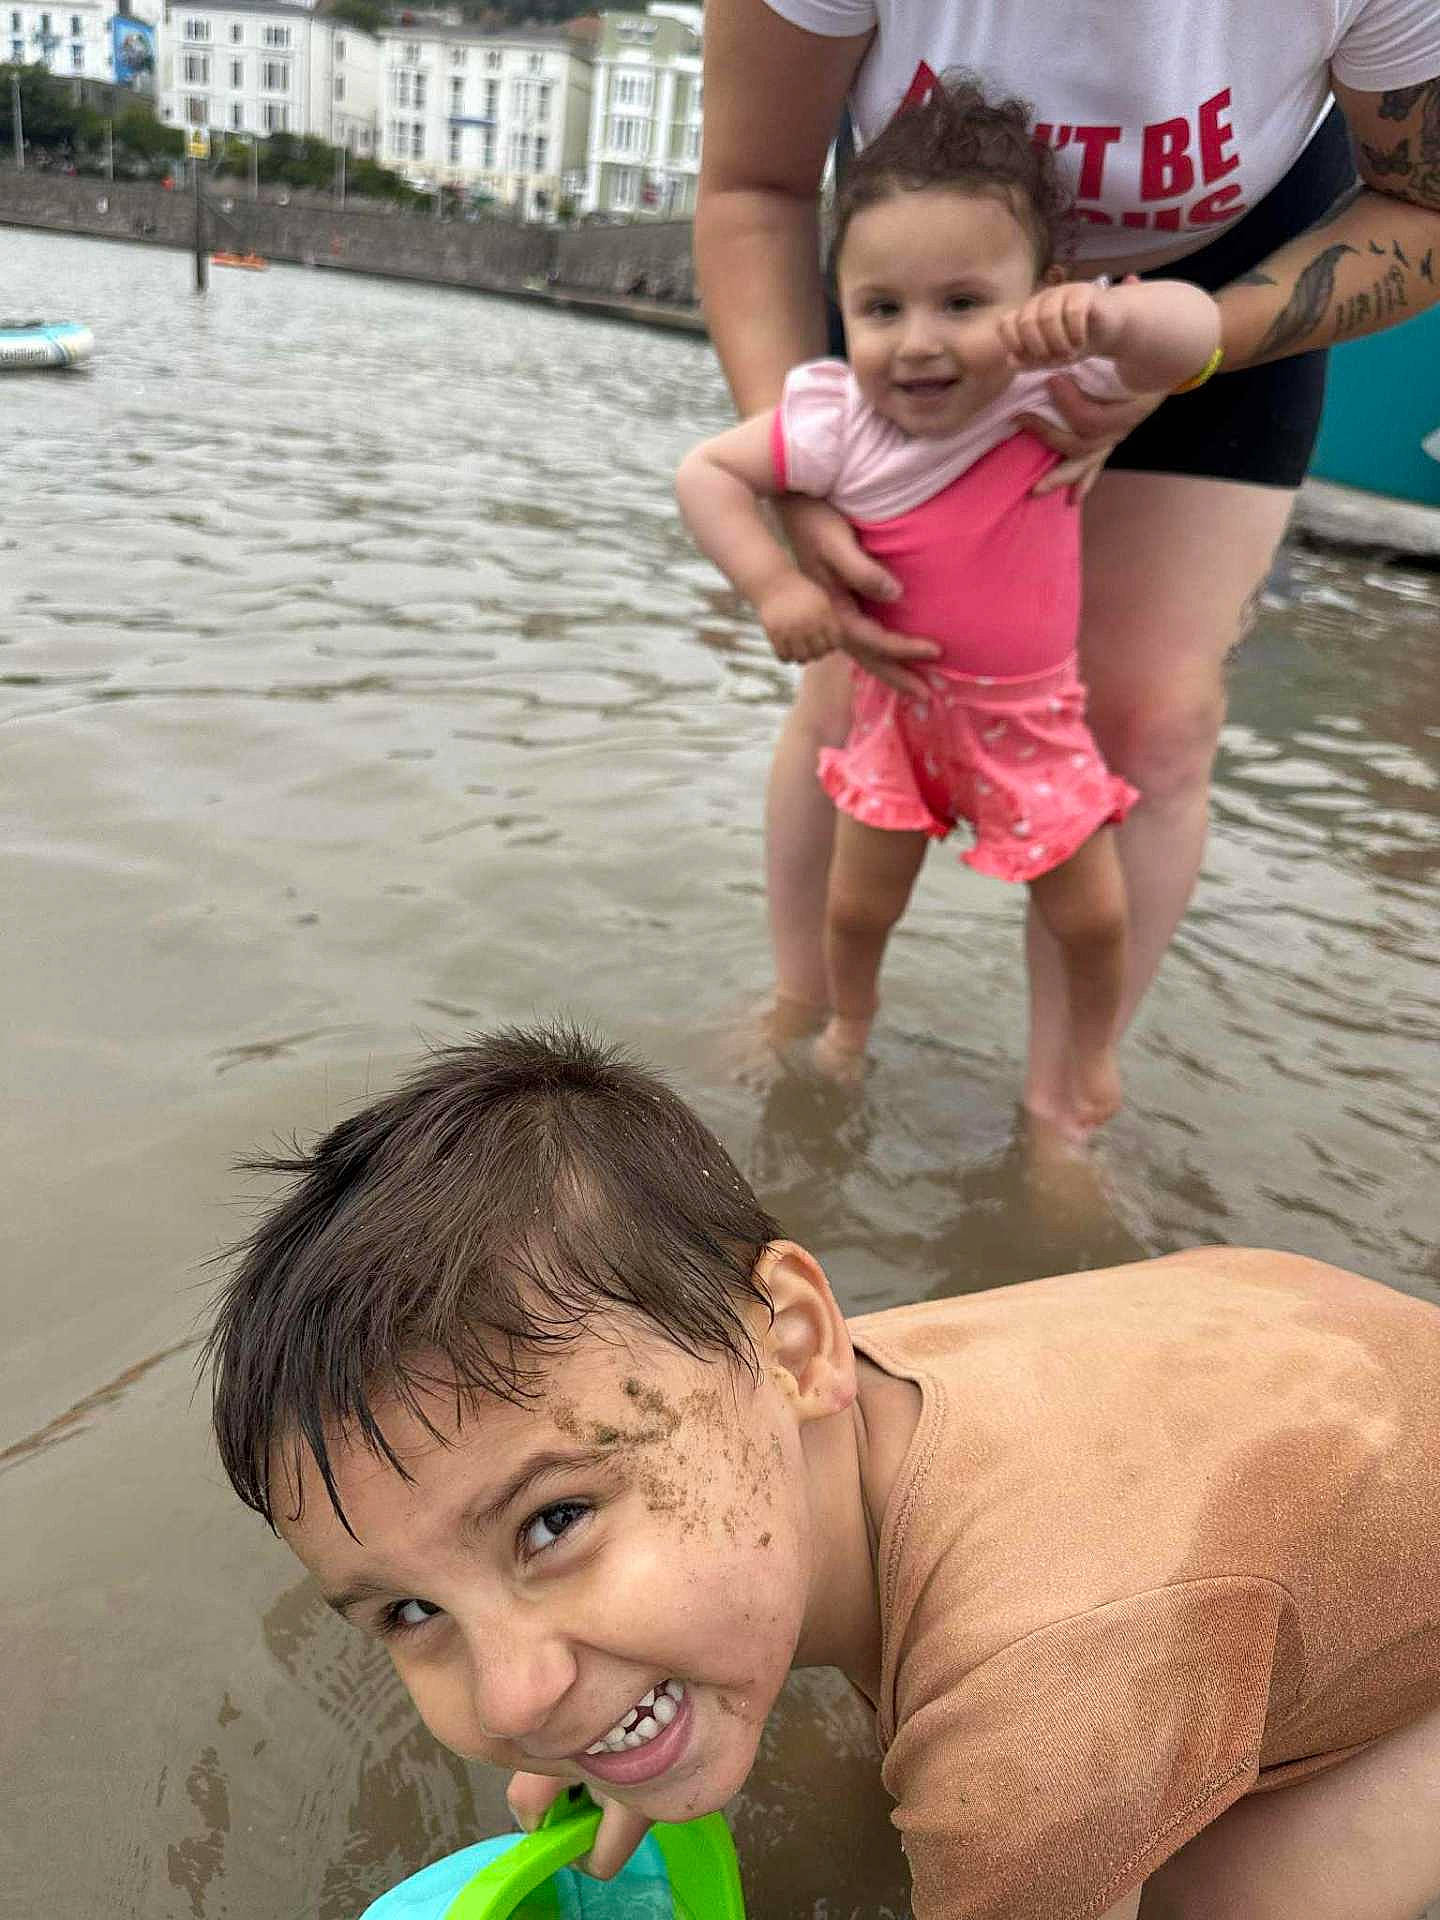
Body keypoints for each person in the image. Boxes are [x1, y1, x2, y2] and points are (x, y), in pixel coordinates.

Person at [207, 1026, 1440, 1920]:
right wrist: (630, 1708)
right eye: (412, 1612)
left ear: (796, 1341)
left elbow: (1029, 1728)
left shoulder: (1043, 1684)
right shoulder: (807, 1394)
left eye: (554, 1519)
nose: (515, 1700)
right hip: (1294, 1373)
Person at [695, 0, 1440, 1119]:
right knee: (853, 682)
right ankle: (809, 1015)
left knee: (1156, 716)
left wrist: (1200, 341)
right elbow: (753, 185)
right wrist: (801, 491)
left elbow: (1421, 199)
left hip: (1223, 285)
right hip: (928, 264)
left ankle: (1066, 1110)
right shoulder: (900, 328)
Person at [677, 81, 1222, 1132]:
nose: (919, 343)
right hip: (903, 713)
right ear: (842, 304)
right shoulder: (835, 424)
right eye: (882, 309)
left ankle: (1086, 1061)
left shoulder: (1052, 385)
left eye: (963, 304)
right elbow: (705, 472)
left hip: (1032, 723)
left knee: (1095, 917)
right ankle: (846, 1027)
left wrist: (1113, 314)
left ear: (1039, 294)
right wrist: (777, 584)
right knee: (858, 906)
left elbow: (1190, 333)